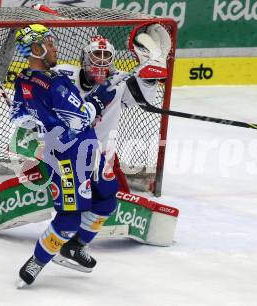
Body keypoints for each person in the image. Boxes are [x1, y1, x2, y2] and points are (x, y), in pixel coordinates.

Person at [50, 25, 171, 271]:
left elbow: (144, 97)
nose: (101, 63)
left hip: (101, 154)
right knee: (73, 206)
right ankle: (54, 245)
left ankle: (75, 245)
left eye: (107, 58)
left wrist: (150, 74)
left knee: (107, 202)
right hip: (68, 151)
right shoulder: (64, 76)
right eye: (97, 57)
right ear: (84, 58)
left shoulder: (119, 84)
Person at [11, 24, 118, 288]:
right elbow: (81, 119)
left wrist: (32, 121)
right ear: (37, 49)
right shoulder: (55, 84)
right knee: (69, 220)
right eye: (50, 42)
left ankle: (75, 247)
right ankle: (37, 261)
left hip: (89, 151)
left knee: (106, 200)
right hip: (67, 160)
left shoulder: (23, 79)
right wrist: (98, 101)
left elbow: (17, 114)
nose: (56, 47)